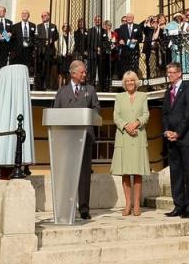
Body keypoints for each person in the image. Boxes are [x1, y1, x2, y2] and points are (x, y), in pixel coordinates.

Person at [53, 59, 100, 220]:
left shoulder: (90, 90)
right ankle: (67, 207)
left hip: (85, 139)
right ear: (73, 73)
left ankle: (84, 209)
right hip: (66, 140)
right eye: (82, 72)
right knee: (66, 175)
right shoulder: (61, 92)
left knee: (84, 175)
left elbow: (97, 110)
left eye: (85, 72)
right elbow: (55, 114)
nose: (85, 74)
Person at [161, 61, 189, 217]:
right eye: (168, 72)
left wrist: (178, 132)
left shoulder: (188, 88)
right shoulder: (167, 92)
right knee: (175, 173)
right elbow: (164, 114)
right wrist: (166, 131)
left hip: (186, 138)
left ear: (179, 73)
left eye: (172, 72)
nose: (169, 75)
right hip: (171, 140)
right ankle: (178, 205)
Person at [111, 70, 150, 216]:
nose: (130, 83)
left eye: (132, 80)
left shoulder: (143, 96)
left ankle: (137, 205)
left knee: (138, 172)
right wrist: (126, 126)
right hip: (124, 136)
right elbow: (116, 116)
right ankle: (128, 204)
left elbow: (146, 114)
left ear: (136, 82)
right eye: (127, 81)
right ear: (124, 83)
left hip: (138, 136)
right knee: (125, 172)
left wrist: (136, 124)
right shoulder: (119, 97)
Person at [34, 12, 59, 90]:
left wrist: (51, 40)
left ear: (48, 16)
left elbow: (56, 36)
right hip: (42, 51)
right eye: (42, 16)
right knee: (42, 69)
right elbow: (37, 37)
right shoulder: (39, 26)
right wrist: (44, 42)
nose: (43, 17)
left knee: (49, 68)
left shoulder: (53, 26)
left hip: (50, 50)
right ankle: (41, 86)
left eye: (44, 15)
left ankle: (49, 85)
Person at [11, 10, 36, 78]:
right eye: (23, 13)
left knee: (26, 68)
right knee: (18, 67)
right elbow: (10, 38)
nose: (24, 15)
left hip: (28, 50)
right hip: (18, 51)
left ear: (29, 15)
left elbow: (34, 38)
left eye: (26, 13)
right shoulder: (15, 26)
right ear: (21, 15)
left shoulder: (33, 26)